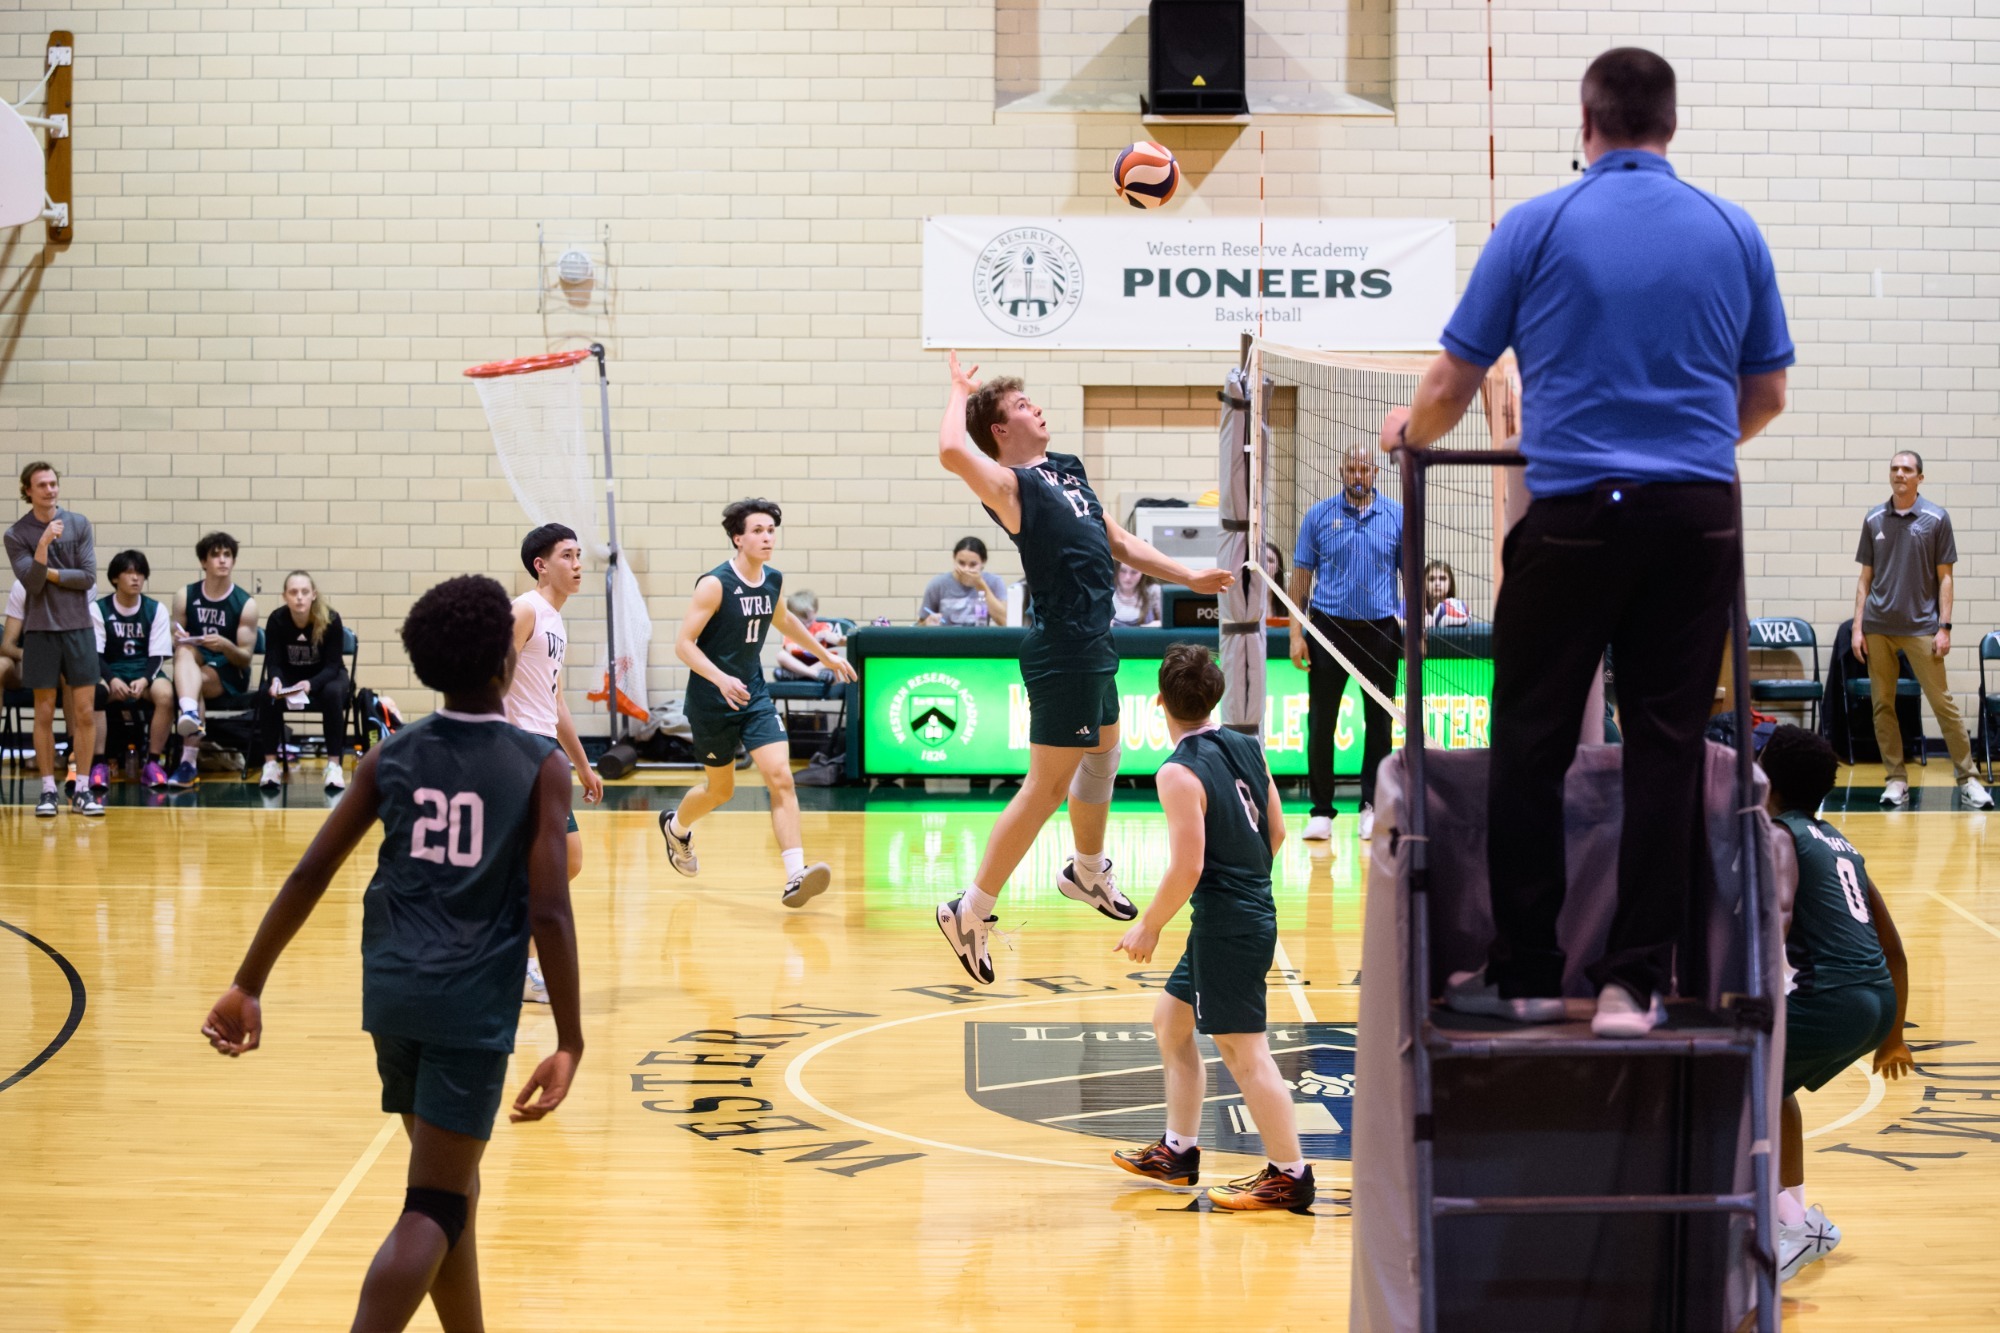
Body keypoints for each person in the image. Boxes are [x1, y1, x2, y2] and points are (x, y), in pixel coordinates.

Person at [1381, 49, 1793, 1036]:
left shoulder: (1534, 224)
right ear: (1670, 125)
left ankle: (1523, 971)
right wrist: (1683, 449)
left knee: (1530, 739)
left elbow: (1444, 389)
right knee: (1663, 745)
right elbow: (1766, 395)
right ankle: (1633, 986)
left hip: (1569, 520)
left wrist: (1409, 436)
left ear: (1586, 122)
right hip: (1693, 518)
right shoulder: (1733, 230)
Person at [200, 574, 583, 1333]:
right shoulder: (540, 763)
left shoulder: (394, 753)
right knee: (434, 1201)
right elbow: (549, 907)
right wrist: (570, 1037)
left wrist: (249, 982)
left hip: (393, 994)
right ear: (509, 662)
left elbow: (311, 870)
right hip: (469, 1006)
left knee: (450, 1184)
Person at [932, 352, 1232, 984]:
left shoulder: (1067, 470)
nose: (1034, 407)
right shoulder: (1011, 489)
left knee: (1104, 755)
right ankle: (970, 909)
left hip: (1096, 642)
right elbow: (951, 451)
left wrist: (1190, 574)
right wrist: (961, 391)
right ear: (1001, 433)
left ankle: (1086, 872)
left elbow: (1118, 542)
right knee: (1044, 789)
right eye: (1019, 406)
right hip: (1063, 649)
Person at [1111, 644, 1313, 1210]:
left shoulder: (1177, 772)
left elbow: (1189, 865)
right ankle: (1178, 1152)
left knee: (1243, 1052)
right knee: (1170, 1024)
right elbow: (1276, 833)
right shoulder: (1248, 746)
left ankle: (1289, 1174)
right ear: (1216, 695)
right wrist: (1246, 888)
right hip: (1237, 915)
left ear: (1158, 702)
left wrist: (1149, 925)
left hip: (1229, 923)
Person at [1755, 726, 1911, 1281]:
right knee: (1775, 1086)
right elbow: (1892, 944)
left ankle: (1782, 1227)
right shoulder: (1839, 840)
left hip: (1831, 998)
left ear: (1764, 775)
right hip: (1877, 1000)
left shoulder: (1776, 834)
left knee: (1738, 1079)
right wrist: (1892, 1035)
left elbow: (1774, 921)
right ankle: (1795, 1217)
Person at [658, 499, 856, 907]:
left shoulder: (773, 580)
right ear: (738, 538)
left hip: (754, 696)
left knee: (780, 777)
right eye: (758, 530)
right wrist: (719, 677)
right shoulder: (714, 584)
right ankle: (676, 827)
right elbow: (683, 645)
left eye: (771, 530)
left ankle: (794, 875)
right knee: (720, 791)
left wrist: (826, 655)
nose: (768, 537)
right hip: (712, 701)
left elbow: (784, 621)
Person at [1852, 451, 1992, 809]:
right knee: (1883, 705)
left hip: (1921, 627)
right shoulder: (1873, 519)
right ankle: (1896, 780)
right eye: (1895, 468)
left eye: (1907, 469)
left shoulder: (1936, 518)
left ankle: (1969, 780)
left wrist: (1944, 626)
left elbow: (1946, 579)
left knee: (1943, 704)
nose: (1900, 474)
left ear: (1920, 478)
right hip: (1878, 626)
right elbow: (1864, 579)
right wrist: (1857, 627)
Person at [502, 524, 605, 1003]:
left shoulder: (556, 621)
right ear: (542, 565)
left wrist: (583, 764)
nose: (578, 564)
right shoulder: (524, 610)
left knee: (566, 860)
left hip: (546, 751)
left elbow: (556, 701)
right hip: (518, 751)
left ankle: (508, 953)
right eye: (567, 556)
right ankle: (516, 965)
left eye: (579, 555)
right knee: (550, 861)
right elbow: (489, 677)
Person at [1288, 449, 1402, 846]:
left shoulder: (1396, 515)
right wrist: (1295, 633)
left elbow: (1413, 572)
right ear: (1341, 471)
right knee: (1321, 723)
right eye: (1351, 467)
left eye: (1365, 468)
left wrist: (1417, 625)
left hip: (1381, 630)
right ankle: (1321, 812)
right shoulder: (1318, 516)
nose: (1358, 474)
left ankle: (1372, 806)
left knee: (1380, 723)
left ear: (1374, 471)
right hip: (1328, 629)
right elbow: (1301, 577)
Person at [5, 461, 101, 817]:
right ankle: (47, 790)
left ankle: (84, 788)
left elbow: (88, 577)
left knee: (85, 712)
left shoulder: (78, 523)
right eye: (41, 485)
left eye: (53, 483)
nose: (50, 490)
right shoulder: (16, 534)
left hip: (79, 628)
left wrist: (51, 573)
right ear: (27, 491)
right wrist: (43, 543)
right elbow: (30, 582)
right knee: (44, 712)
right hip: (41, 630)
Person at [169, 532, 260, 790]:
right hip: (195, 662)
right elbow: (176, 642)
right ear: (203, 562)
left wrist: (225, 644)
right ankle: (189, 718)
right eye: (216, 555)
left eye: (227, 555)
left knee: (191, 681)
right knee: (184, 652)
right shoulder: (185, 595)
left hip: (230, 672)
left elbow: (244, 658)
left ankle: (188, 760)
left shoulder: (245, 603)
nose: (222, 560)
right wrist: (182, 639)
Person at [256, 570, 353, 794]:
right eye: (293, 592)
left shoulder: (330, 619)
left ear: (313, 595)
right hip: (291, 676)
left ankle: (333, 766)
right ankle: (270, 765)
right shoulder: (277, 620)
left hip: (328, 676)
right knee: (265, 694)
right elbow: (273, 660)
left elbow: (332, 665)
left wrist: (310, 684)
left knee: (332, 693)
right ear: (285, 596)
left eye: (304, 592)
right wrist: (276, 680)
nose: (299, 597)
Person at [89, 550, 176, 791]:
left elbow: (158, 655)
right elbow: (94, 654)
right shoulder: (98, 609)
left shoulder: (155, 609)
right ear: (115, 578)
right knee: (96, 693)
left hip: (143, 671)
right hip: (111, 670)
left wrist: (146, 680)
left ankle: (153, 763)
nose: (136, 578)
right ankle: (99, 764)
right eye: (129, 572)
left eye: (140, 572)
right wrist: (111, 678)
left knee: (167, 695)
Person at [919, 537, 1008, 626]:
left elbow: (1005, 622)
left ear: (983, 562)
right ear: (954, 559)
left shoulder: (993, 582)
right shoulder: (938, 584)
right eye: (961, 563)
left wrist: (980, 584)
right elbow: (919, 625)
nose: (966, 569)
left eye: (973, 565)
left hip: (979, 638)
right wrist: (926, 624)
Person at [1421, 559, 1470, 627]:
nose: (1437, 583)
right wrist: (1419, 624)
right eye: (1431, 579)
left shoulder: (1458, 607)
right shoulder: (1413, 605)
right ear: (1424, 583)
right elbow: (1400, 623)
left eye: (1442, 579)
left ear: (1450, 583)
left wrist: (1433, 623)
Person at [1111, 563, 1161, 628]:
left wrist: (1157, 625)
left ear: (1142, 573)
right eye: (1123, 571)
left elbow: (1167, 624)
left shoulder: (1153, 591)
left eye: (1134, 572)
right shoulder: (1107, 592)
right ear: (1116, 571)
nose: (1128, 577)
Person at [1261, 542, 1289, 623]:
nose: (1265, 564)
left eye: (1270, 560)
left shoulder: (1285, 602)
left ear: (1277, 568)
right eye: (1262, 559)